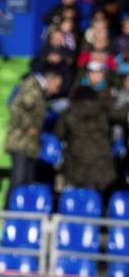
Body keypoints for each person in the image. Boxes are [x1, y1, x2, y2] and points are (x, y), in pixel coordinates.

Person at [56, 61, 120, 196]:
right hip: (102, 164)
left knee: (76, 197)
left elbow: (58, 134)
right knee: (98, 198)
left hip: (75, 164)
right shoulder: (104, 112)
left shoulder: (68, 112)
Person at [4, 69, 64, 205]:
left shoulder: (39, 90)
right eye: (57, 85)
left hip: (30, 144)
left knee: (26, 180)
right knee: (18, 179)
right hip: (20, 142)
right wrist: (28, 126)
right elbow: (14, 106)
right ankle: (8, 210)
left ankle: (21, 209)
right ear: (51, 79)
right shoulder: (32, 85)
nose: (57, 90)